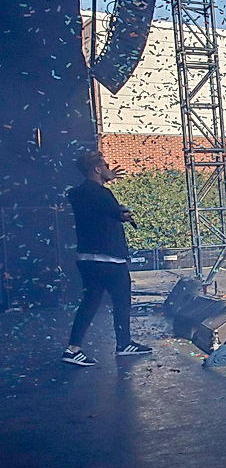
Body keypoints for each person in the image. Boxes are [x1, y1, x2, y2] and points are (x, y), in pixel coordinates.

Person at [62, 151, 152, 366]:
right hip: (109, 258)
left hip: (87, 258)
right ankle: (123, 344)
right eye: (105, 165)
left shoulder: (76, 193)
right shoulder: (102, 194)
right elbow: (116, 213)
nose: (108, 168)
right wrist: (124, 214)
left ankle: (73, 348)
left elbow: (102, 213)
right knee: (122, 301)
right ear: (96, 169)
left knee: (90, 302)